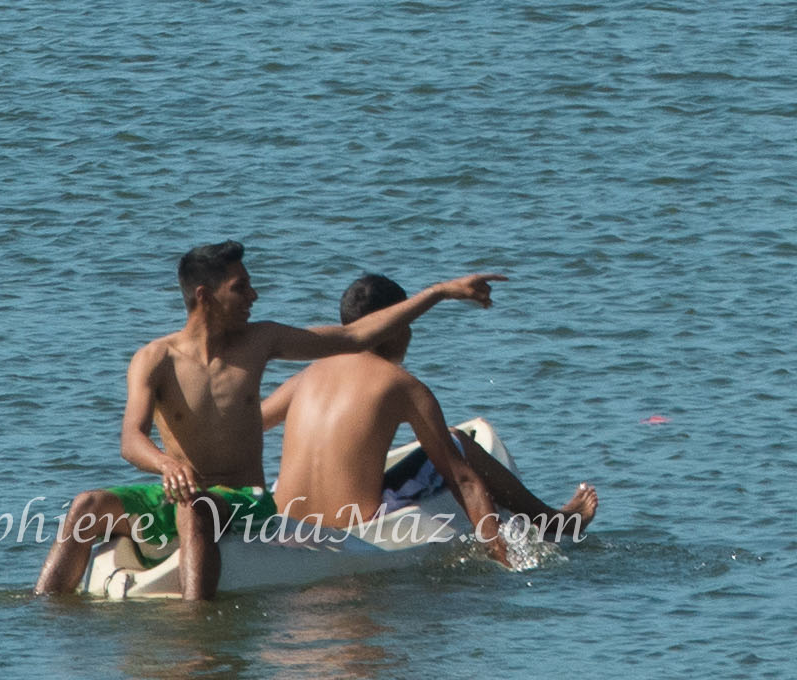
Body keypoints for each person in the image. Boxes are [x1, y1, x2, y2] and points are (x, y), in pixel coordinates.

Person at [32, 243, 504, 601]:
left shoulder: (261, 342)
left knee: (195, 510)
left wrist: (440, 293)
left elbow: (354, 334)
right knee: (86, 505)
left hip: (246, 502)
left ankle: (199, 634)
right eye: (240, 287)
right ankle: (45, 614)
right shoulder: (154, 360)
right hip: (176, 491)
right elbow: (130, 440)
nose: (253, 295)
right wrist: (164, 465)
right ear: (204, 295)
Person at [265, 272, 598, 545]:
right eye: (407, 325)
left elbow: (246, 426)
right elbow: (462, 479)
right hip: (354, 532)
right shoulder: (400, 384)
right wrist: (500, 552)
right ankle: (555, 522)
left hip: (284, 526)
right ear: (395, 326)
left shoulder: (302, 378)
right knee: (456, 442)